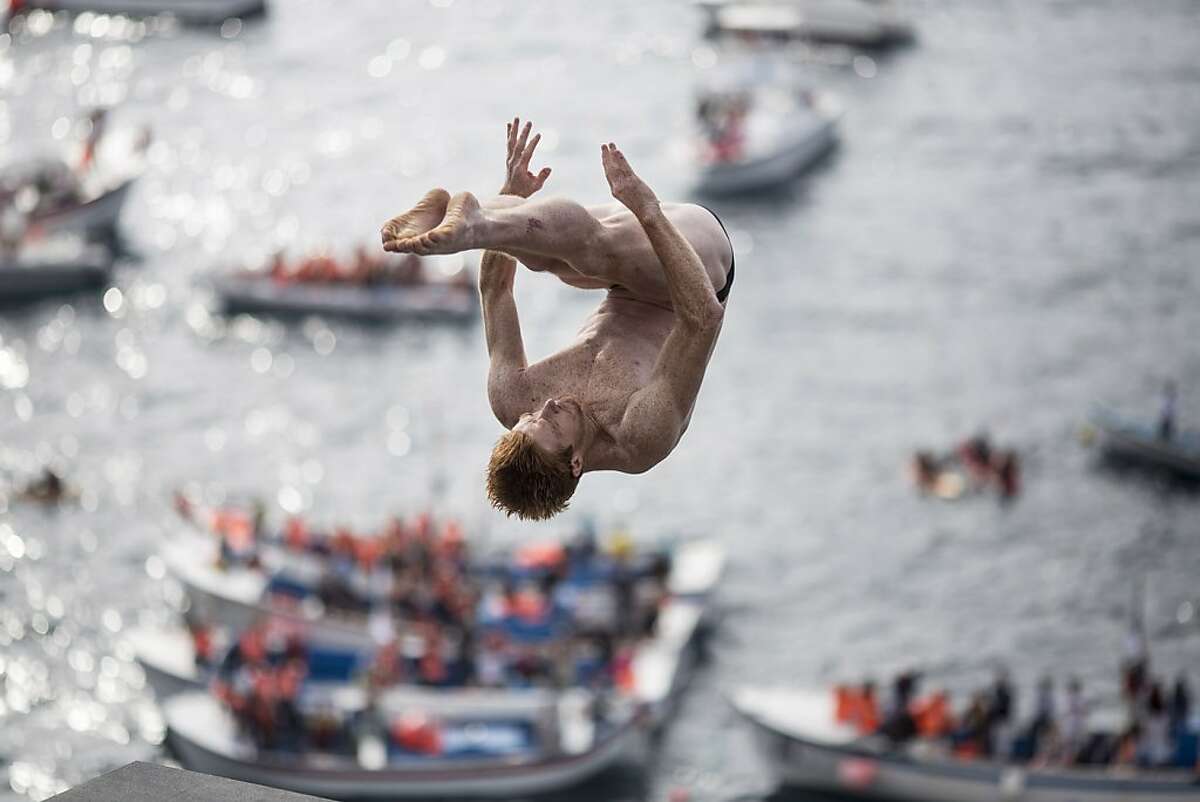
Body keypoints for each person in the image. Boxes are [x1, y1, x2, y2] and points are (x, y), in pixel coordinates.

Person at [381, 119, 733, 520]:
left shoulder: (513, 399)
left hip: (619, 280)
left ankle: (482, 222)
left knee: (550, 257)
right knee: (594, 250)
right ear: (576, 463)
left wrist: (512, 192)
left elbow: (496, 292)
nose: (542, 407)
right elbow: (703, 317)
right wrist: (646, 209)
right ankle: (485, 223)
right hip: (695, 275)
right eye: (549, 423)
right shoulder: (639, 435)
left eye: (529, 419)